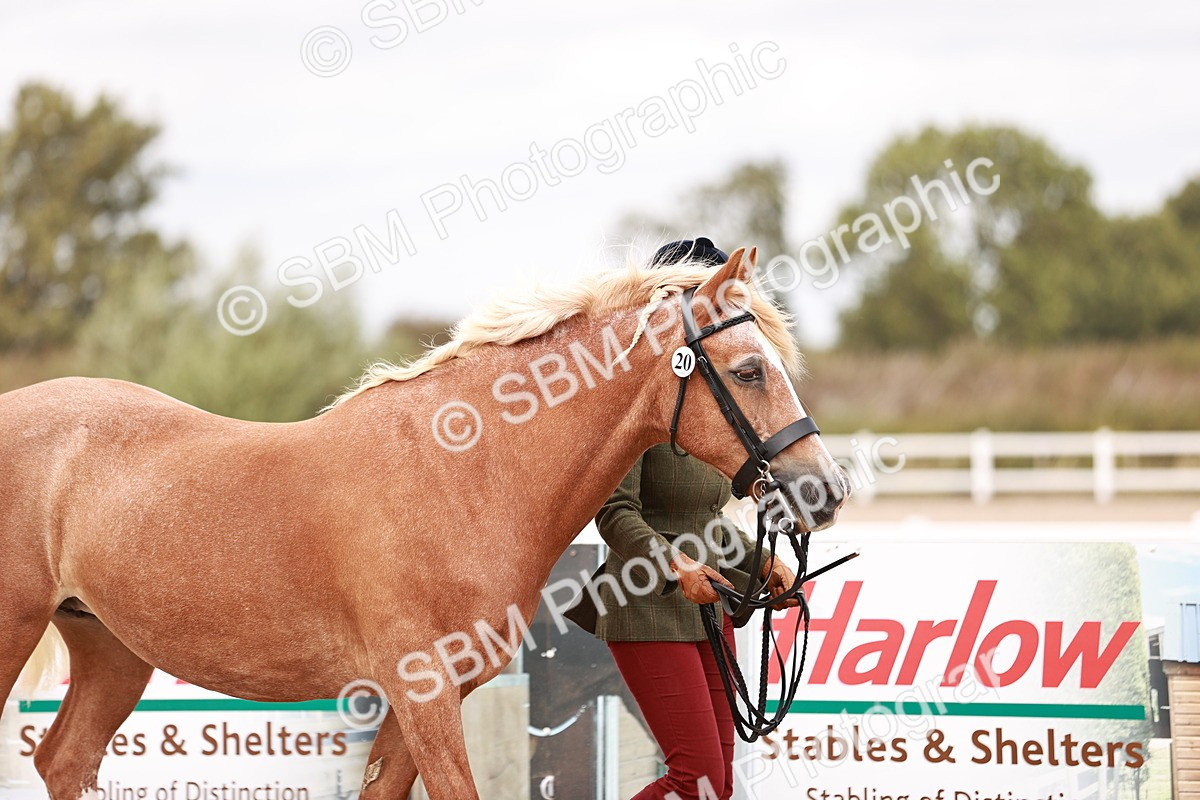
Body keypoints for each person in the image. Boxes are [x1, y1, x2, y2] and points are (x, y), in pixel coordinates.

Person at [565, 238, 798, 800]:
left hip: (706, 607)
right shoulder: (638, 405)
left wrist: (759, 560)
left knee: (716, 785)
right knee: (694, 777)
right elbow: (615, 514)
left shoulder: (709, 411)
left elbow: (706, 518)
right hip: (643, 601)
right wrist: (674, 566)